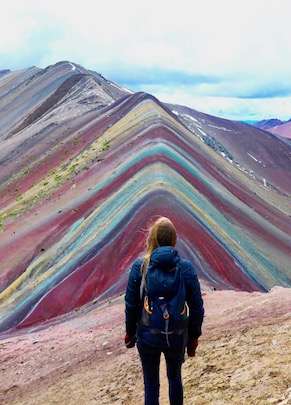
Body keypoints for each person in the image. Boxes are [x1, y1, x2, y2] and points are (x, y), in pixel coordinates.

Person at [124, 216, 205, 405]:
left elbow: (131, 304)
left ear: (152, 239)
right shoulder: (185, 268)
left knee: (151, 384)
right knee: (175, 378)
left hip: (147, 335)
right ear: (174, 239)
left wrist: (130, 333)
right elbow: (197, 307)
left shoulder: (140, 267)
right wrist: (193, 338)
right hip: (176, 336)